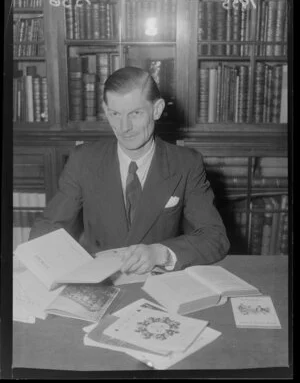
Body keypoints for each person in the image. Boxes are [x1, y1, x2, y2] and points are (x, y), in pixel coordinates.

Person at [29, 66, 230, 274]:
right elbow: (47, 227)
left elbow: (215, 237)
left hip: (157, 284)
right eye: (115, 114)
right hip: (99, 281)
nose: (124, 127)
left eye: (135, 113)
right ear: (106, 111)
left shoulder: (186, 164)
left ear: (157, 109)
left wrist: (160, 253)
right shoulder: (84, 160)